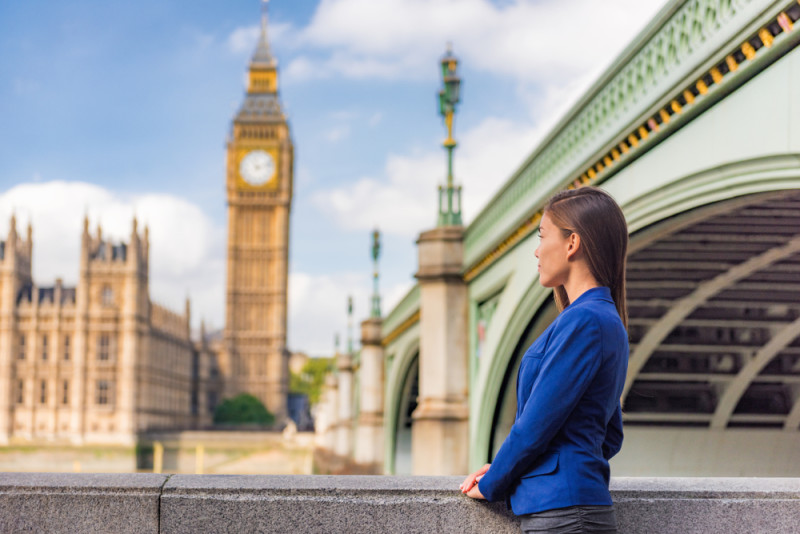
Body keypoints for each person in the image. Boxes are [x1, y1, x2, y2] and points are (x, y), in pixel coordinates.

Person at [460, 186, 629, 534]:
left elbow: (534, 426)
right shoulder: (604, 319)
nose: (536, 251)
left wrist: (494, 482)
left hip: (564, 516)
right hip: (574, 509)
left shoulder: (583, 322)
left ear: (572, 243)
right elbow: (609, 436)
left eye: (542, 236)